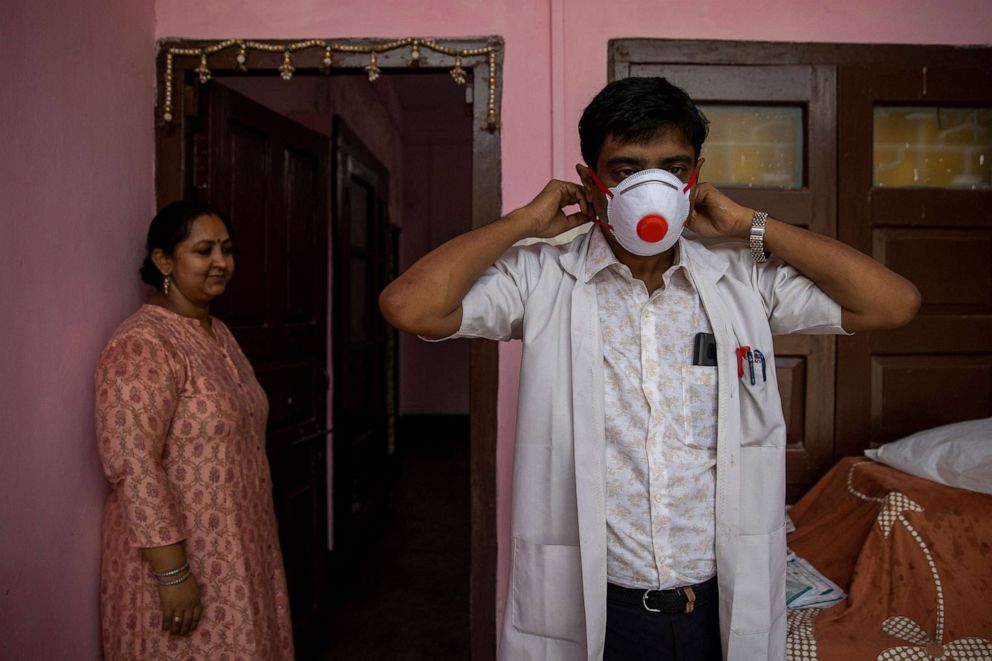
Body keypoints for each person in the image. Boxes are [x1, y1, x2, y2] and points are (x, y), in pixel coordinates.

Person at [379, 77, 920, 661]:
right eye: (625, 169)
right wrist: (522, 224)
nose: (649, 186)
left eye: (671, 167)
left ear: (695, 176)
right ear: (591, 182)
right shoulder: (540, 278)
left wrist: (749, 226)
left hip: (716, 607)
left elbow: (891, 303)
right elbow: (409, 306)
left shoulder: (740, 279)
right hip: (594, 608)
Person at [94, 202, 294, 660]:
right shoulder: (143, 343)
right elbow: (133, 464)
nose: (221, 262)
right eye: (204, 251)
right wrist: (173, 575)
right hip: (182, 562)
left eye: (227, 249)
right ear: (164, 261)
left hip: (239, 549)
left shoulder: (217, 331)